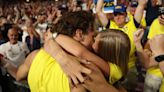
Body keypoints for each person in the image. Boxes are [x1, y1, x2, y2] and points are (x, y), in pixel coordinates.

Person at [96, 0, 146, 91]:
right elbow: (98, 11)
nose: (118, 17)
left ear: (126, 15)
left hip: (129, 66)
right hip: (113, 66)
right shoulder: (110, 25)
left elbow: (142, 4)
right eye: (115, 15)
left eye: (120, 14)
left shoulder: (133, 24)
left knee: (130, 87)